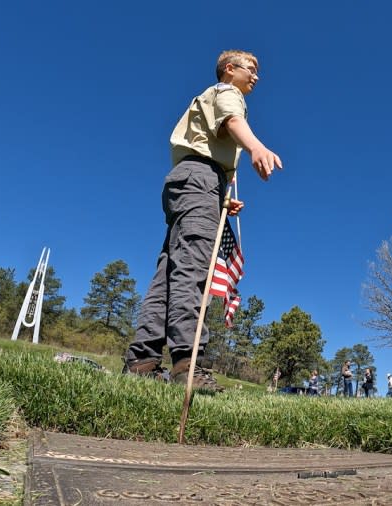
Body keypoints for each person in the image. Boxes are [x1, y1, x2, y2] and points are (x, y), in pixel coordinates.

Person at [124, 50, 282, 392]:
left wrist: (222, 199)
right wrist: (255, 147)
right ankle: (187, 364)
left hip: (192, 182)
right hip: (200, 179)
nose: (256, 77)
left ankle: (142, 360)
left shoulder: (211, 97)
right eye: (251, 69)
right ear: (230, 69)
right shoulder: (227, 92)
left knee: (169, 270)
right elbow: (231, 121)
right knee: (194, 267)